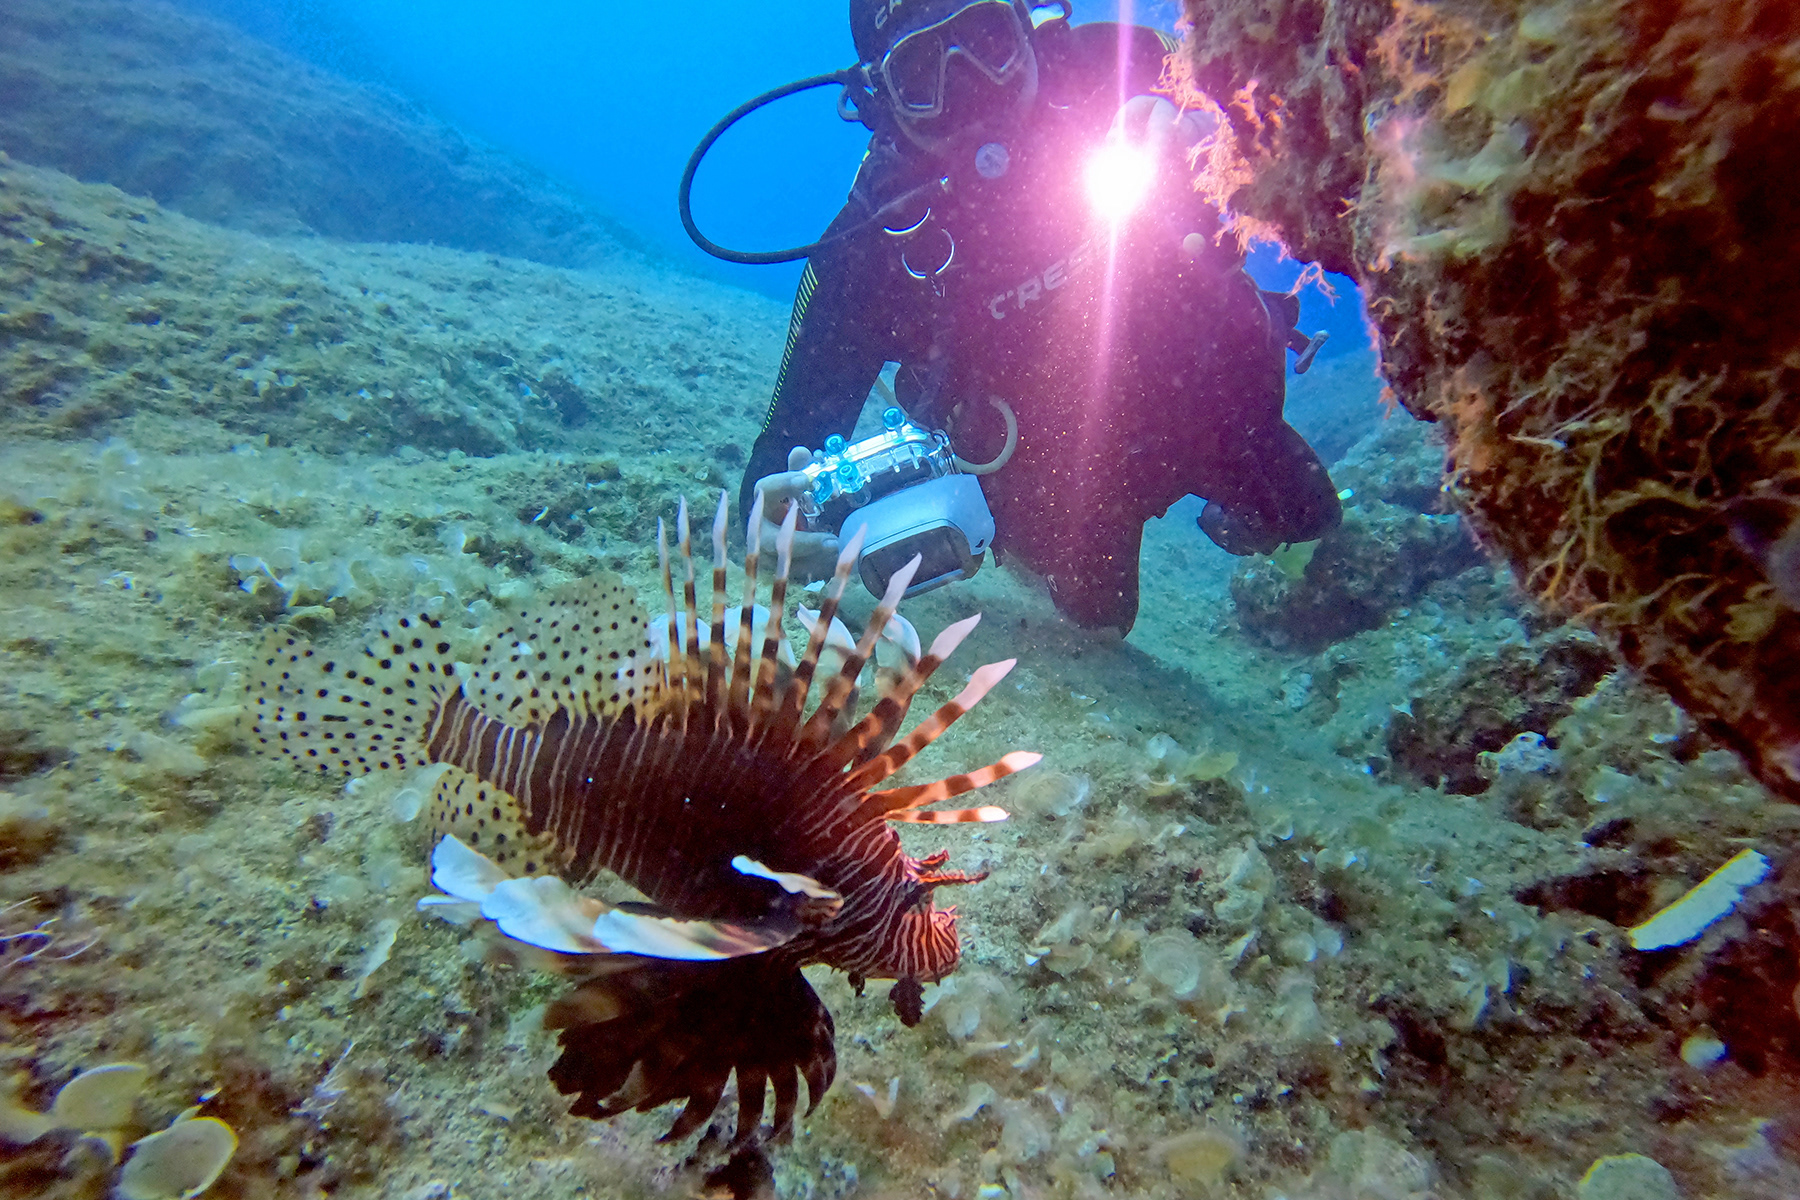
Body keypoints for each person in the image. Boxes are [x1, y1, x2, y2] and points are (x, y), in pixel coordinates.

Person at [740, 0, 1341, 634]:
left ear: (1027, 25)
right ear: (882, 101)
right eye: (921, 74)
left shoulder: (1125, 67)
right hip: (1057, 475)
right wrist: (774, 525)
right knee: (1100, 619)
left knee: (1311, 516)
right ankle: (1033, 540)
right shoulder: (872, 244)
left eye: (985, 38)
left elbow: (1294, 100)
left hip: (1202, 407)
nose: (969, 85)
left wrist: (1206, 129)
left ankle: (1229, 523)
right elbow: (786, 449)